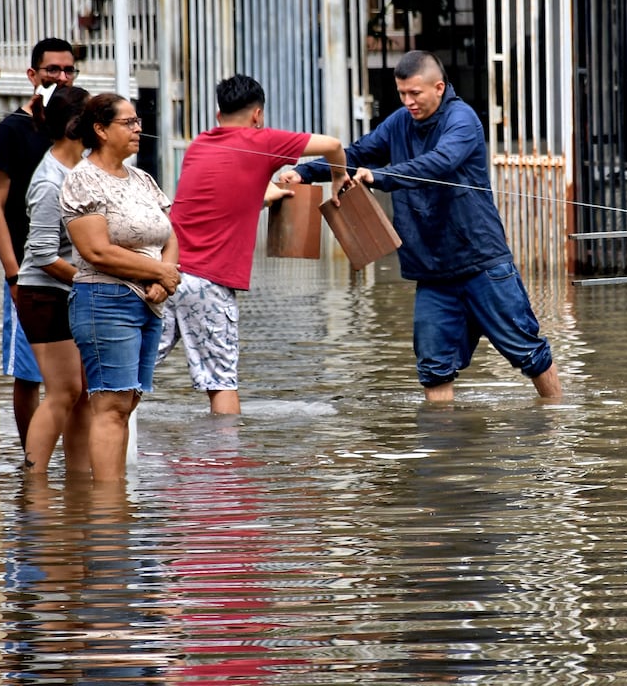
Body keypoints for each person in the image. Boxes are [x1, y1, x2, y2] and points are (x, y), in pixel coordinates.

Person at [279, 50, 561, 403]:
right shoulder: (399, 123)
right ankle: (442, 453)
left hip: (482, 263)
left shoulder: (462, 120)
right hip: (432, 271)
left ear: (439, 87)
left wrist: (381, 176)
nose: (408, 102)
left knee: (529, 354)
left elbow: (440, 163)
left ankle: (556, 423)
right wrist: (305, 172)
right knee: (433, 370)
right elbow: (358, 153)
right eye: (402, 94)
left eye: (415, 93)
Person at [157, 74, 349, 414]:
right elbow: (333, 145)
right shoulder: (262, 140)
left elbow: (221, 195)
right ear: (257, 115)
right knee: (222, 385)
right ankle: (225, 464)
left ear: (219, 115)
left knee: (130, 377)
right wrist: (337, 179)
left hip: (165, 275)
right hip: (209, 284)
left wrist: (264, 196)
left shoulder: (200, 144)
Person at [61, 93, 180, 481]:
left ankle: (114, 508)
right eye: (128, 123)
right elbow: (96, 250)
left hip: (149, 302)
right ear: (100, 129)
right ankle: (108, 509)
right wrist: (158, 273)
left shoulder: (143, 178)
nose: (138, 129)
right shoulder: (82, 179)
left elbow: (169, 234)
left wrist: (164, 275)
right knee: (110, 405)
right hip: (104, 299)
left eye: (138, 121)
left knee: (127, 403)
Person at [0, 37, 77, 448]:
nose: (60, 77)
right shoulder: (12, 130)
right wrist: (12, 273)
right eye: (52, 70)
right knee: (27, 372)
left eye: (68, 70)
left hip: (75, 270)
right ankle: (33, 464)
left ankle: (69, 471)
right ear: (32, 75)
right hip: (30, 271)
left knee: (73, 377)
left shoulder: (75, 133)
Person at [19, 85, 92, 473]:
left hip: (71, 291)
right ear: (77, 125)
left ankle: (80, 483)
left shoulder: (80, 170)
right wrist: (92, 278)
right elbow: (44, 255)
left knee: (83, 395)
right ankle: (34, 481)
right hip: (46, 293)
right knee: (64, 391)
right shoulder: (50, 181)